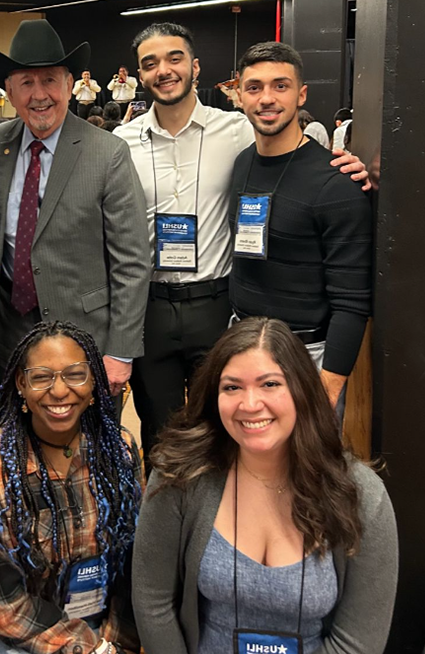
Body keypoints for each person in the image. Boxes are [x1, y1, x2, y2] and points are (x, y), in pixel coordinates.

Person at [113, 22, 369, 465]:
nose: (164, 70)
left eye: (174, 58)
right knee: (165, 432)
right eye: (150, 63)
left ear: (195, 67)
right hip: (155, 308)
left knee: (238, 438)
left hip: (220, 310)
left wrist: (355, 168)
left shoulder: (235, 131)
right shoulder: (121, 143)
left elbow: (353, 296)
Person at [132, 317, 398, 654]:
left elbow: (358, 642)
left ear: (302, 389)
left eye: (270, 384)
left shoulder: (362, 495)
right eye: (232, 387)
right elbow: (152, 602)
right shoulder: (180, 477)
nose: (250, 404)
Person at [0, 19, 149, 397]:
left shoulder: (108, 153)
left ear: (70, 85)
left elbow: (132, 261)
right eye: (26, 83)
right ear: (9, 91)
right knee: (17, 444)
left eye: (50, 80)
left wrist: (120, 350)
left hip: (85, 336)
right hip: (11, 333)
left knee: (86, 449)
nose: (39, 95)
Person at [0, 321, 143, 654]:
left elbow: (132, 570)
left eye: (74, 374)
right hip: (20, 636)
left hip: (101, 625)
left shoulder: (121, 453)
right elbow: (3, 608)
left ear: (94, 383)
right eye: (42, 377)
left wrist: (115, 644)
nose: (59, 391)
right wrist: (91, 650)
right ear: (21, 384)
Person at [229, 42, 372, 410]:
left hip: (305, 357)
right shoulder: (242, 163)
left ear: (301, 94)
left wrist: (329, 387)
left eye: (281, 85)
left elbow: (352, 302)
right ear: (239, 94)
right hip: (242, 341)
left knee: (307, 467)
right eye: (254, 87)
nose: (267, 98)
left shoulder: (337, 184)